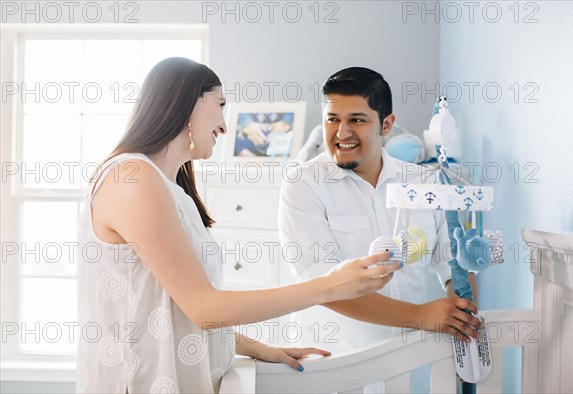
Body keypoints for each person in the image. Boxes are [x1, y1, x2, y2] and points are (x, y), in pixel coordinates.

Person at [76, 58, 401, 394]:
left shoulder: (167, 186)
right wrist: (329, 285)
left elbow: (177, 309)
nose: (224, 127)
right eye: (220, 105)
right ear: (187, 104)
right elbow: (205, 309)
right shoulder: (132, 177)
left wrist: (259, 349)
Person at [278, 67, 481, 354]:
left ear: (386, 125)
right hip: (333, 364)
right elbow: (321, 285)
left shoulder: (423, 182)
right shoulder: (303, 183)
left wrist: (462, 318)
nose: (342, 132)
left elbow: (454, 265)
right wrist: (420, 316)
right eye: (332, 119)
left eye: (357, 120)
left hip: (410, 365)